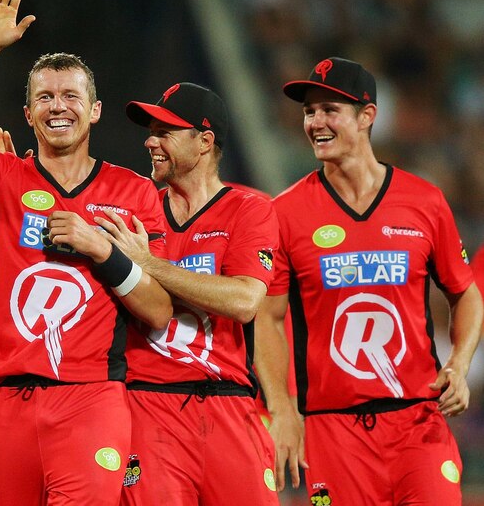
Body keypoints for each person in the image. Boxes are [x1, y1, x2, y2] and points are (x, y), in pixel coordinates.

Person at [0, 0, 172, 505]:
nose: (59, 106)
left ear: (95, 111)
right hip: (4, 400)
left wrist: (102, 250)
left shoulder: (137, 193)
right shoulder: (2, 177)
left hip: (91, 401)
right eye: (46, 97)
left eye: (72, 96)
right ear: (28, 112)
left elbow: (159, 310)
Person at [257, 56, 483, 505]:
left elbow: (465, 292)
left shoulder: (424, 201)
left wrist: (459, 362)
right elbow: (268, 317)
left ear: (367, 116)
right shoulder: (283, 213)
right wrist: (283, 409)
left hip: (417, 422)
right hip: (332, 429)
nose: (316, 122)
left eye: (329, 110)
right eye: (308, 112)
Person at [90, 83, 281, 505]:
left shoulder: (250, 209)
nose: (150, 141)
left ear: (205, 141)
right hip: (149, 405)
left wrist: (150, 264)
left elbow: (245, 301)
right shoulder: (136, 210)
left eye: (165, 132)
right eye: (151, 131)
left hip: (230, 406)